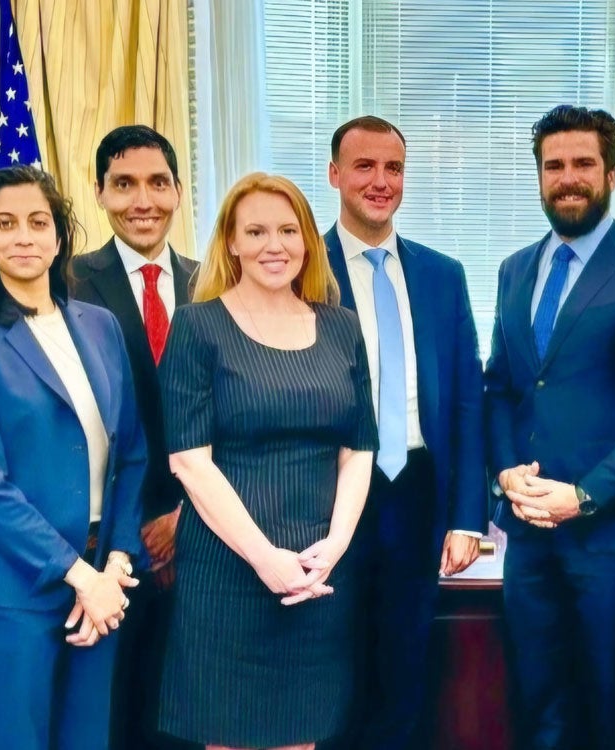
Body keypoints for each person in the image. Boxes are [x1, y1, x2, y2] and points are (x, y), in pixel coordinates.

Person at [484, 105, 615, 750]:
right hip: (529, 538)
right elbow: (502, 387)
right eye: (554, 166)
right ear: (539, 175)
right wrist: (503, 472)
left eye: (582, 164)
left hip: (612, 538)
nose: (567, 178)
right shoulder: (516, 269)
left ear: (611, 174)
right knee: (540, 703)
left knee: (612, 708)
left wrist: (585, 495)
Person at [157, 172, 376, 749]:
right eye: (254, 231)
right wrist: (264, 559)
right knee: (230, 737)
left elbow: (359, 450)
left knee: (302, 736)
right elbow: (189, 463)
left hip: (317, 569)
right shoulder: (198, 326)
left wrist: (335, 547)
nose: (272, 245)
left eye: (287, 230)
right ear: (230, 242)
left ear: (308, 240)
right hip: (229, 569)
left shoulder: (341, 327)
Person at [0, 166, 148, 750]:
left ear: (59, 237)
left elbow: (131, 453)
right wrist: (78, 575)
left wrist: (116, 564)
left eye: (38, 222)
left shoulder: (100, 325)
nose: (23, 237)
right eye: (4, 224)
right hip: (14, 590)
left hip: (102, 583)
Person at [317, 116, 486, 750]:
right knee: (333, 669)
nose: (380, 181)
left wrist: (468, 515)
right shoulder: (305, 267)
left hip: (414, 491)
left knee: (404, 669)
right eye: (364, 166)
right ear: (335, 175)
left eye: (393, 168)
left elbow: (469, 399)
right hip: (326, 494)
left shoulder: (443, 275)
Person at [67, 124, 202, 750]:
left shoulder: (214, 283)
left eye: (157, 183)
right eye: (123, 184)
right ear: (99, 192)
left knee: (184, 711)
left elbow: (235, 411)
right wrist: (129, 526)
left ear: (179, 191)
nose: (142, 200)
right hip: (105, 541)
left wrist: (185, 516)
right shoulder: (64, 283)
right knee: (113, 714)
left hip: (204, 532)